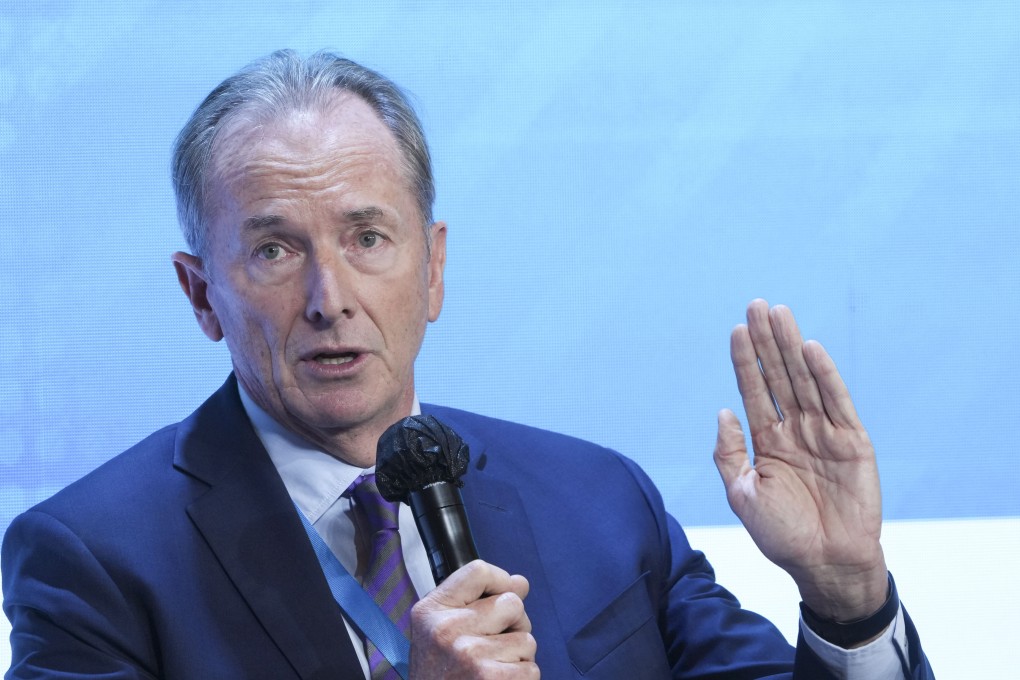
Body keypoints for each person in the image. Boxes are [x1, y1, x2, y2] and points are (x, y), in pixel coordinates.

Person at [1, 50, 934, 679]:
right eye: (276, 252)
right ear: (201, 293)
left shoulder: (599, 500)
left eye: (369, 237)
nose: (331, 297)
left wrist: (848, 596)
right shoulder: (93, 561)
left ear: (434, 266)